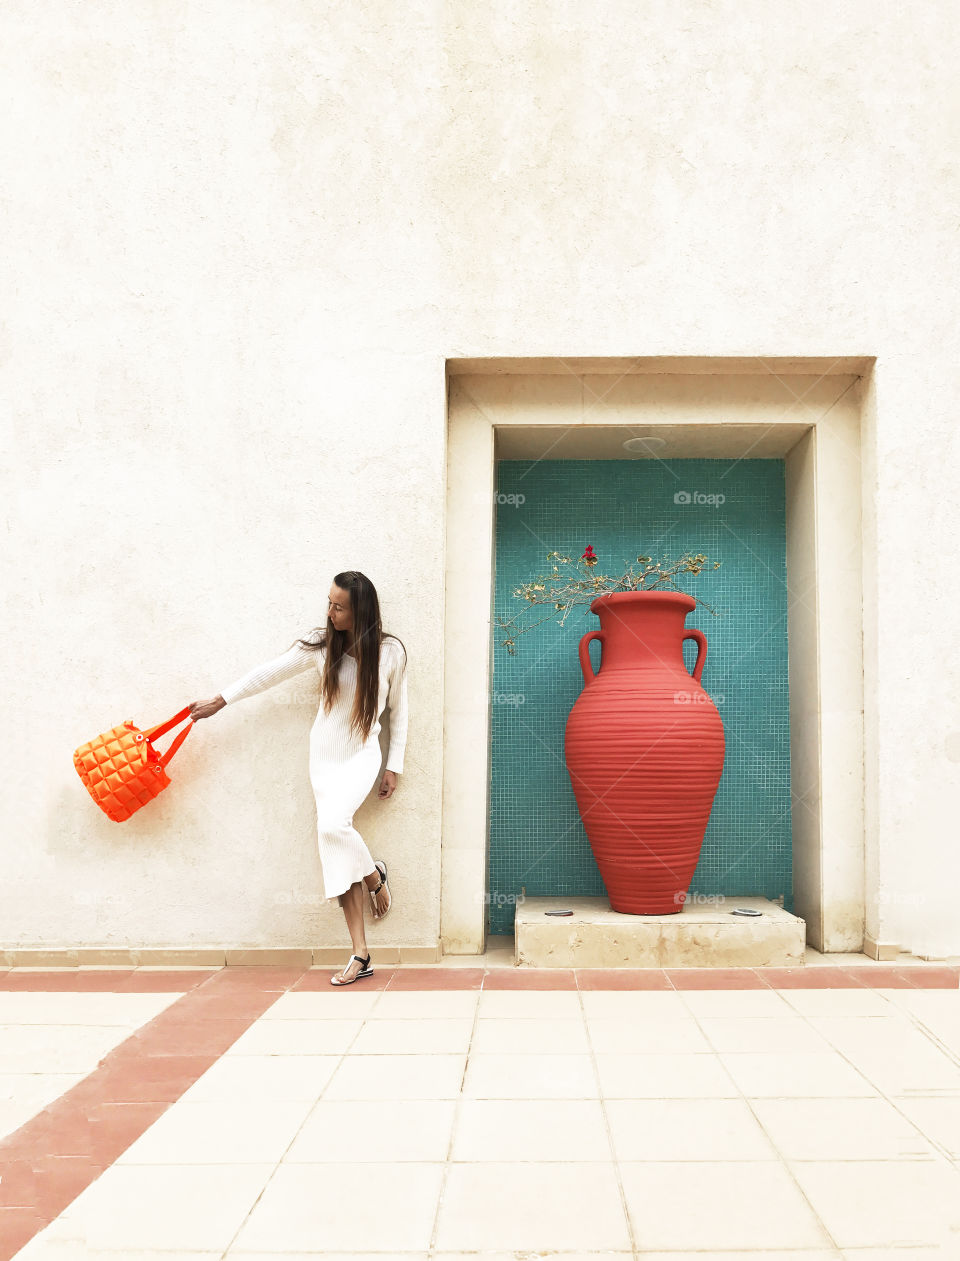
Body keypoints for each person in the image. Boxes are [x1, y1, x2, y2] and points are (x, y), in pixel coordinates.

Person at [188, 571, 408, 986]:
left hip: (361, 755)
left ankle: (375, 877)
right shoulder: (321, 645)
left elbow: (400, 711)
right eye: (329, 602)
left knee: (332, 827)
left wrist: (393, 764)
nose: (330, 612)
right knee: (334, 843)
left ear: (360, 611)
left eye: (339, 606)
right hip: (323, 758)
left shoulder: (391, 653)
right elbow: (270, 672)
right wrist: (222, 699)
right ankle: (361, 950)